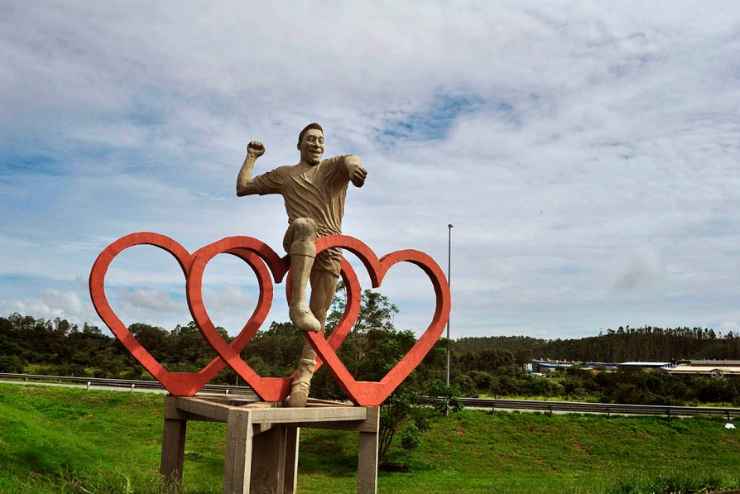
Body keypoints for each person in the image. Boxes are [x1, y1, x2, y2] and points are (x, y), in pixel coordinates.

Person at [236, 123, 367, 406]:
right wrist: (251, 157)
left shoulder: (331, 169)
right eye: (310, 139)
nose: (317, 144)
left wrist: (356, 167)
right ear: (299, 145)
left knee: (319, 318)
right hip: (299, 237)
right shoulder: (285, 175)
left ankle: (303, 378)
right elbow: (243, 187)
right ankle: (298, 304)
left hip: (331, 247)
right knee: (305, 224)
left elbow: (350, 160)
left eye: (321, 140)